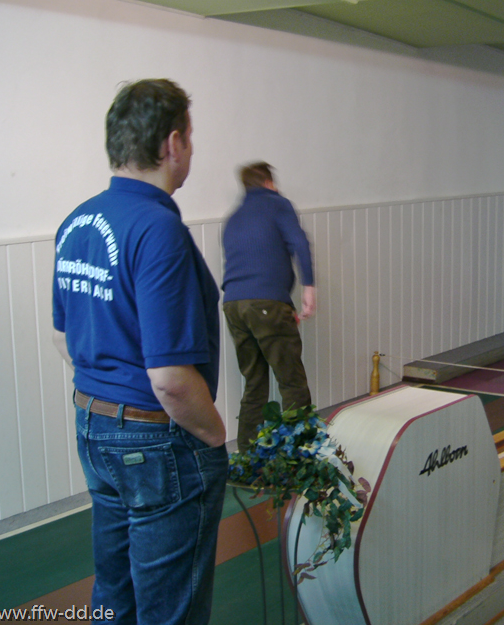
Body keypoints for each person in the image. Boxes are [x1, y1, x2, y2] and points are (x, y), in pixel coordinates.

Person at [52, 79, 227, 624]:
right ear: (173, 143)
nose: (191, 150)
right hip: (155, 440)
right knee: (169, 608)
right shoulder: (157, 228)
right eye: (191, 139)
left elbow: (62, 337)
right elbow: (170, 378)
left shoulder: (77, 221)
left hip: (93, 425)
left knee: (114, 593)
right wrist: (213, 435)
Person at [221, 161, 316, 451]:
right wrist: (308, 287)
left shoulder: (233, 218)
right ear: (269, 183)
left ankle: (247, 456)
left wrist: (281, 305)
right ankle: (301, 455)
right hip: (266, 304)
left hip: (233, 306)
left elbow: (255, 262)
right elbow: (300, 244)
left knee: (254, 383)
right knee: (292, 382)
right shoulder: (277, 204)